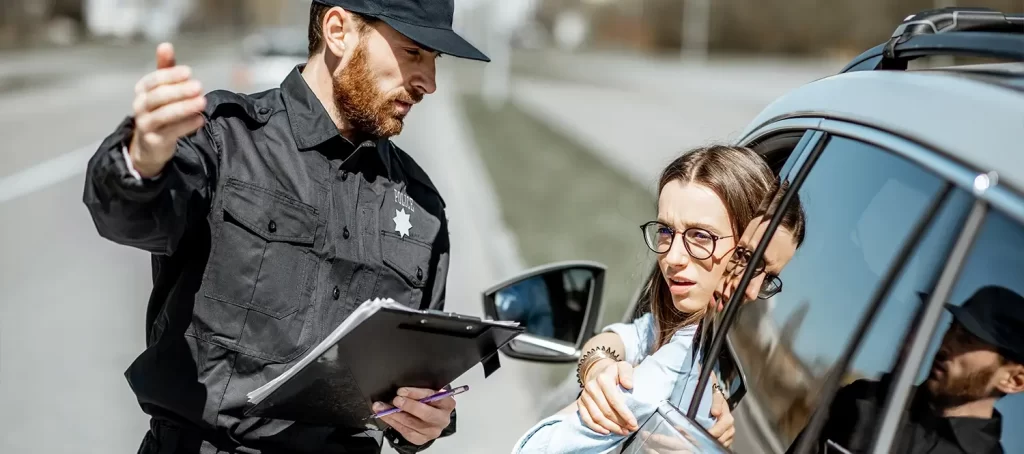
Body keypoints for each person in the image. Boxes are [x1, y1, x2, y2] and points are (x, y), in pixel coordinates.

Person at [81, 1, 489, 453]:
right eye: (414, 52)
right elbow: (125, 218)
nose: (429, 82)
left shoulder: (422, 206)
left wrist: (424, 421)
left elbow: (413, 387)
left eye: (435, 61)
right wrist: (140, 159)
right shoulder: (224, 140)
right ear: (338, 31)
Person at [510, 145, 807, 453]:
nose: (671, 257)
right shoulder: (688, 340)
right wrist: (598, 368)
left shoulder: (695, 348)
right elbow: (631, 335)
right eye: (666, 231)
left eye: (700, 236)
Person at [791, 285, 1024, 454]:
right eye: (951, 328)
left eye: (967, 340)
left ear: (1014, 380)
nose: (945, 345)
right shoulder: (863, 401)